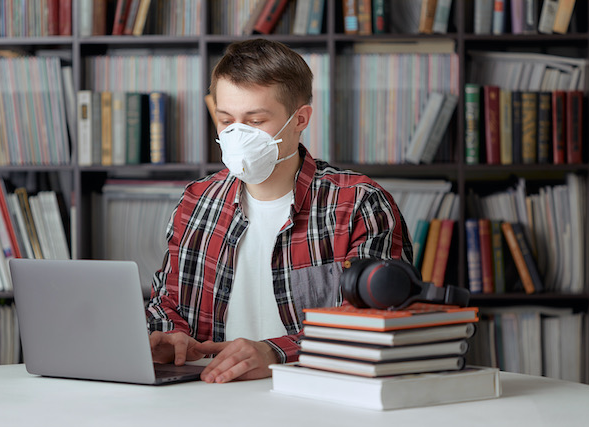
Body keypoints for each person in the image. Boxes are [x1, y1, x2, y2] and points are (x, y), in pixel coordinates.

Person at [146, 38, 413, 384]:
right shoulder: (196, 201)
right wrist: (170, 336)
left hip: (320, 399)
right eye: (226, 121)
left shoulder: (358, 204)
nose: (237, 136)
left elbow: (375, 324)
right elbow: (167, 301)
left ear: (300, 118)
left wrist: (276, 353)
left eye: (255, 121)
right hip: (207, 398)